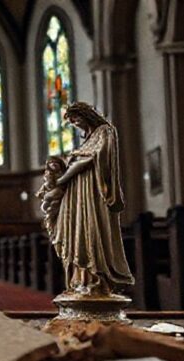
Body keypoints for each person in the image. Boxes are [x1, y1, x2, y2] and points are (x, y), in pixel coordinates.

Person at [51, 102, 134, 296]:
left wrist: (65, 177)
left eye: (76, 119)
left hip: (93, 194)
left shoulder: (105, 131)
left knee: (92, 229)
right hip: (79, 194)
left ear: (86, 114)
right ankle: (82, 280)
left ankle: (97, 280)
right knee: (80, 231)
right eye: (72, 122)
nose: (76, 124)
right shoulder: (87, 138)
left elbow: (95, 158)